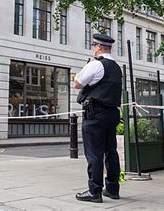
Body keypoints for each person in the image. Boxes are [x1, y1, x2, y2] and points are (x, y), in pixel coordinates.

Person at [74, 33, 122, 203]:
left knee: (94, 153)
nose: (93, 48)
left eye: (94, 45)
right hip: (112, 113)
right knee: (111, 151)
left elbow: (77, 83)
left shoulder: (96, 65)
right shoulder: (117, 67)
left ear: (99, 47)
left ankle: (95, 191)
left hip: (95, 114)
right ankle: (112, 188)